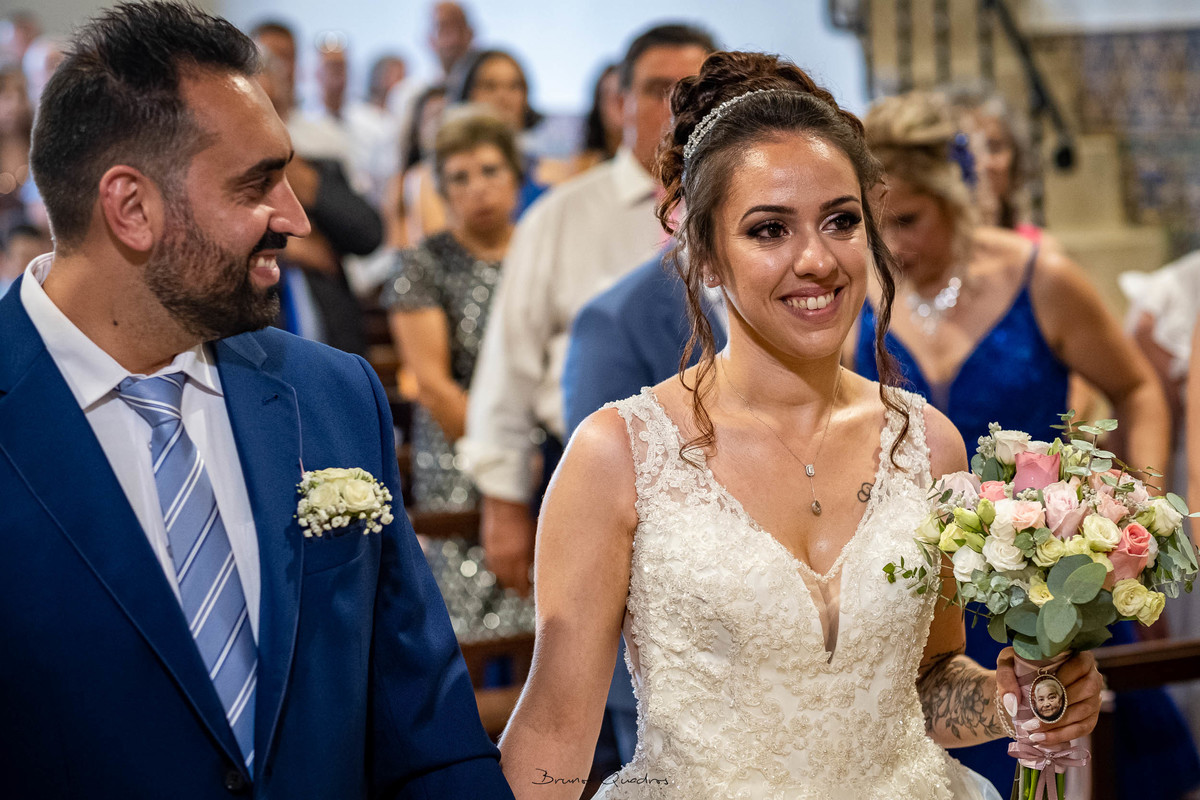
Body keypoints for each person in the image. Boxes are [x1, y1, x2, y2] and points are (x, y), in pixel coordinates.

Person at [498, 50, 1103, 799]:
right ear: (704, 255)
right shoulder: (617, 455)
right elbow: (556, 729)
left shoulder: (926, 444)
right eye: (769, 230)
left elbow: (924, 684)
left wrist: (1012, 701)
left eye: (841, 221)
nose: (816, 259)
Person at [0, 4, 513, 797]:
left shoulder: (333, 394)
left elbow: (428, 730)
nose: (297, 219)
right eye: (256, 185)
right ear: (131, 208)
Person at [856, 90, 1199, 798]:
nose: (891, 245)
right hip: (913, 598)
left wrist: (1139, 513)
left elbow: (1136, 388)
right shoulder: (853, 294)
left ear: (953, 195)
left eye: (908, 220)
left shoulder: (1040, 277)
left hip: (1042, 581)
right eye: (869, 223)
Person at [460, 22, 717, 598]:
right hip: (600, 483)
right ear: (618, 103)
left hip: (738, 482)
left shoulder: (753, 218)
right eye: (657, 90)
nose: (677, 108)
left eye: (695, 91)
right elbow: (509, 362)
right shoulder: (560, 217)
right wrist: (503, 501)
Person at [385, 109, 521, 513]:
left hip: (543, 442)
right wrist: (505, 462)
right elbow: (432, 385)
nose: (478, 188)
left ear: (515, 176)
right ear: (442, 192)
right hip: (459, 452)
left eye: (490, 171)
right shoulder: (422, 263)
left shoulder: (540, 249)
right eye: (460, 178)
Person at [572, 62, 623, 175]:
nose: (619, 104)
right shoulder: (582, 166)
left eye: (622, 94)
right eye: (608, 95)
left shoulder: (658, 163)